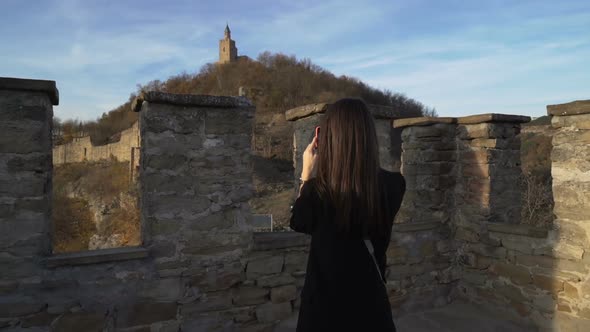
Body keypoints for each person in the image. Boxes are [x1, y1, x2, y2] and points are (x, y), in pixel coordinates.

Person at [290, 98, 406, 332]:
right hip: (371, 306)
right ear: (369, 136)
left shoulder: (317, 192)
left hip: (323, 310)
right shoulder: (395, 185)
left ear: (328, 138)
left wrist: (306, 174)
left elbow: (299, 221)